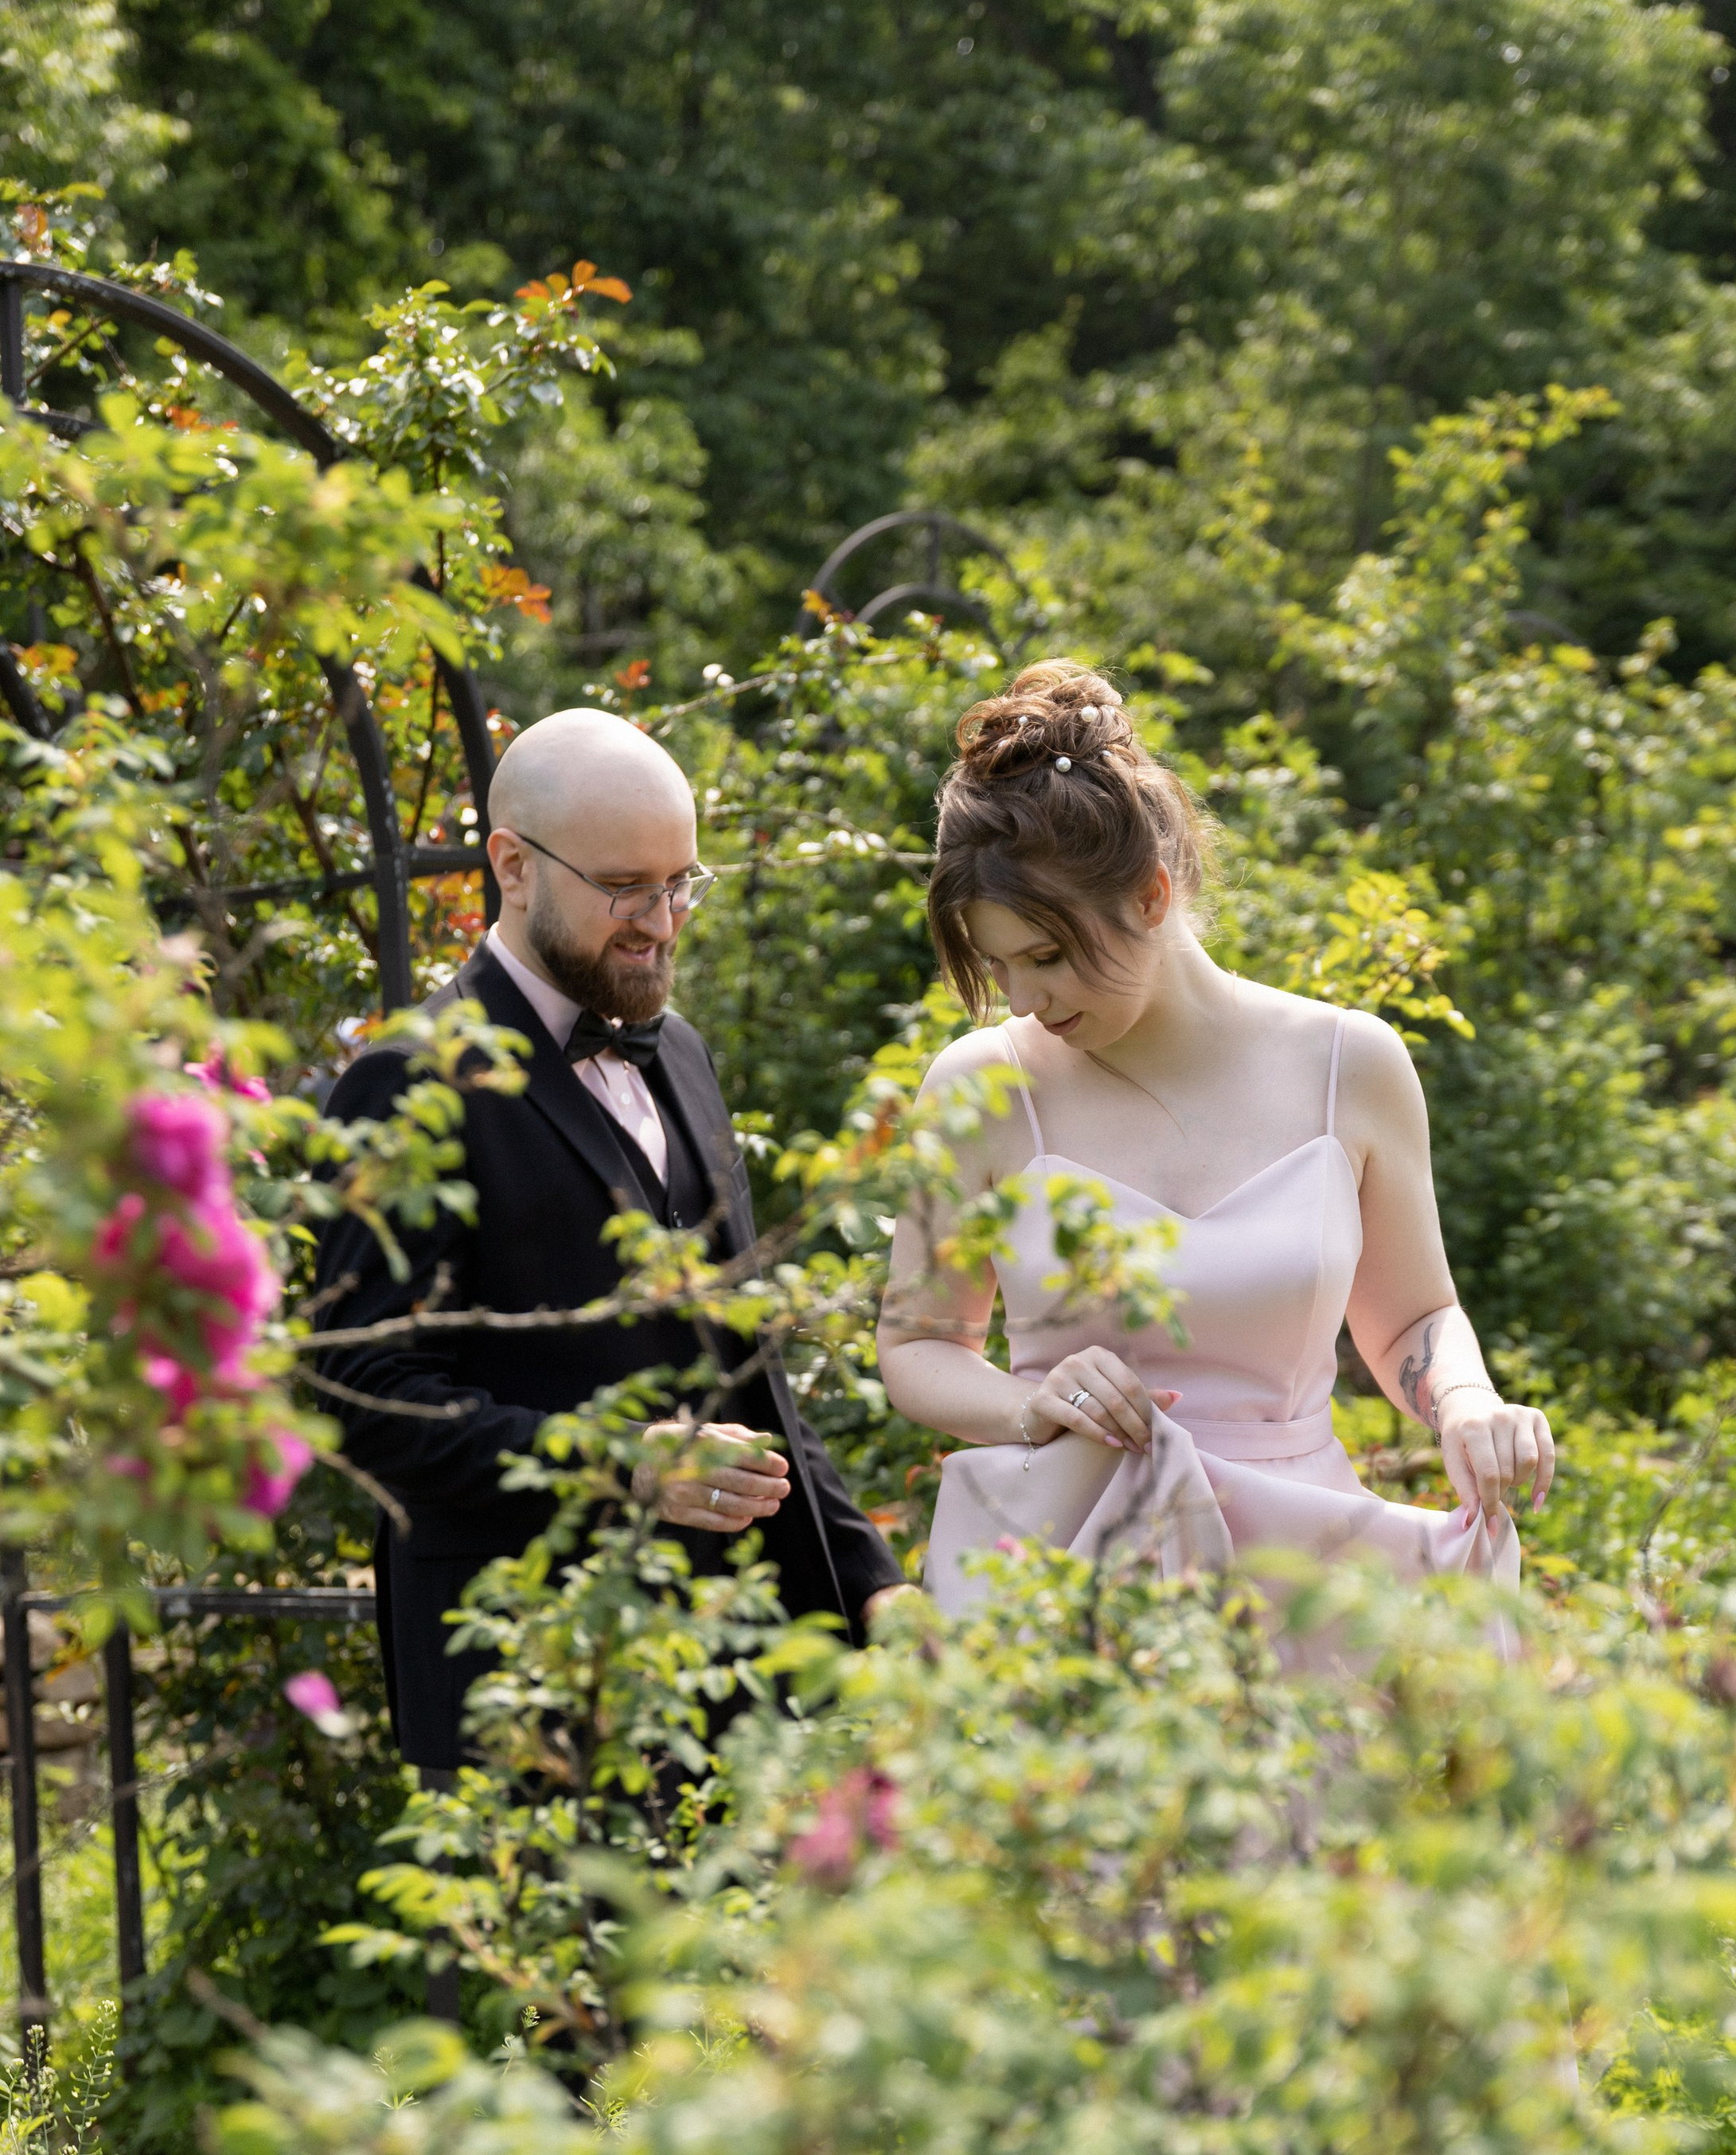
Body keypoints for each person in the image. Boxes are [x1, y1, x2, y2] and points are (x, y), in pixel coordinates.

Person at [876, 664, 1555, 1614]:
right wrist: (1025, 1407)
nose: (1026, 999)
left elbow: (1412, 1320)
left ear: (1151, 896)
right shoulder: (982, 1088)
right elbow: (916, 1345)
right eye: (998, 965)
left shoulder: (1348, 1066)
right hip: (1060, 1568)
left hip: (1301, 1566)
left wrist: (1466, 1401)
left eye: (1047, 957)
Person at [314, 709, 901, 1772]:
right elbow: (364, 1394)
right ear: (513, 866)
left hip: (731, 1691)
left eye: (683, 884)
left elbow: (745, 1366)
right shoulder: (406, 1078)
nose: (664, 922)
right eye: (628, 889)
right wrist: (622, 1466)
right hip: (523, 1699)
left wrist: (872, 1584)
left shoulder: (679, 1054)